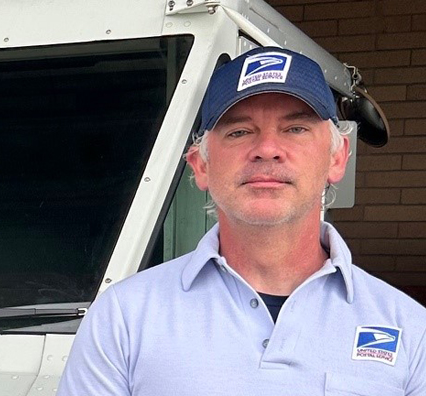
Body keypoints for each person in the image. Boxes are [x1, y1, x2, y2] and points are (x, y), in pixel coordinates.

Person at [57, 47, 426, 395]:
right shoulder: (123, 318)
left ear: (338, 157)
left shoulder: (410, 329)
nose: (267, 148)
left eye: (295, 128)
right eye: (239, 131)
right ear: (201, 165)